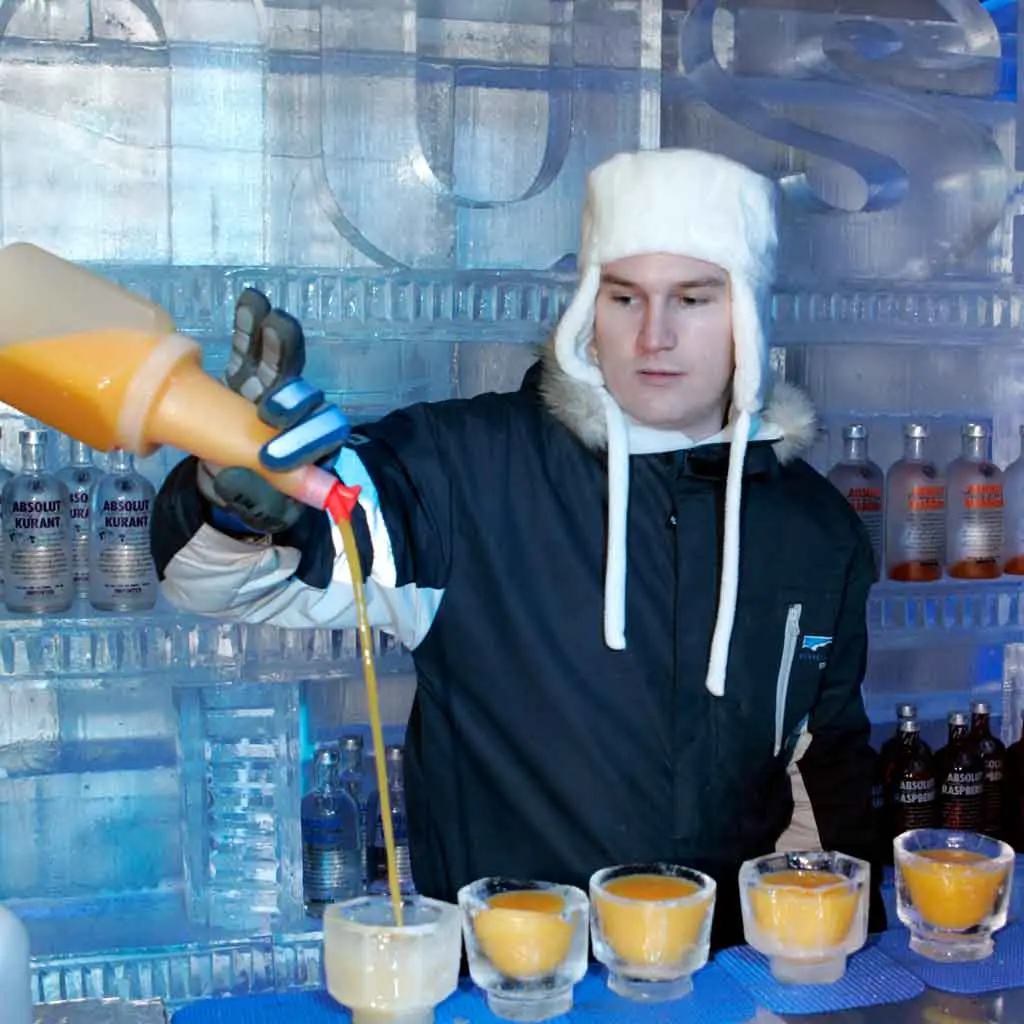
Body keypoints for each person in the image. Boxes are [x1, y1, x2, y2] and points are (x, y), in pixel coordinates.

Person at [152, 148, 884, 947]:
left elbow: (824, 775)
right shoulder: (463, 472)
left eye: (694, 298)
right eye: (625, 296)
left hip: (715, 988)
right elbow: (237, 577)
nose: (655, 335)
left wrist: (818, 974)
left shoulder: (815, 529)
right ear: (588, 309)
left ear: (750, 311)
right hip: (509, 989)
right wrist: (239, 499)